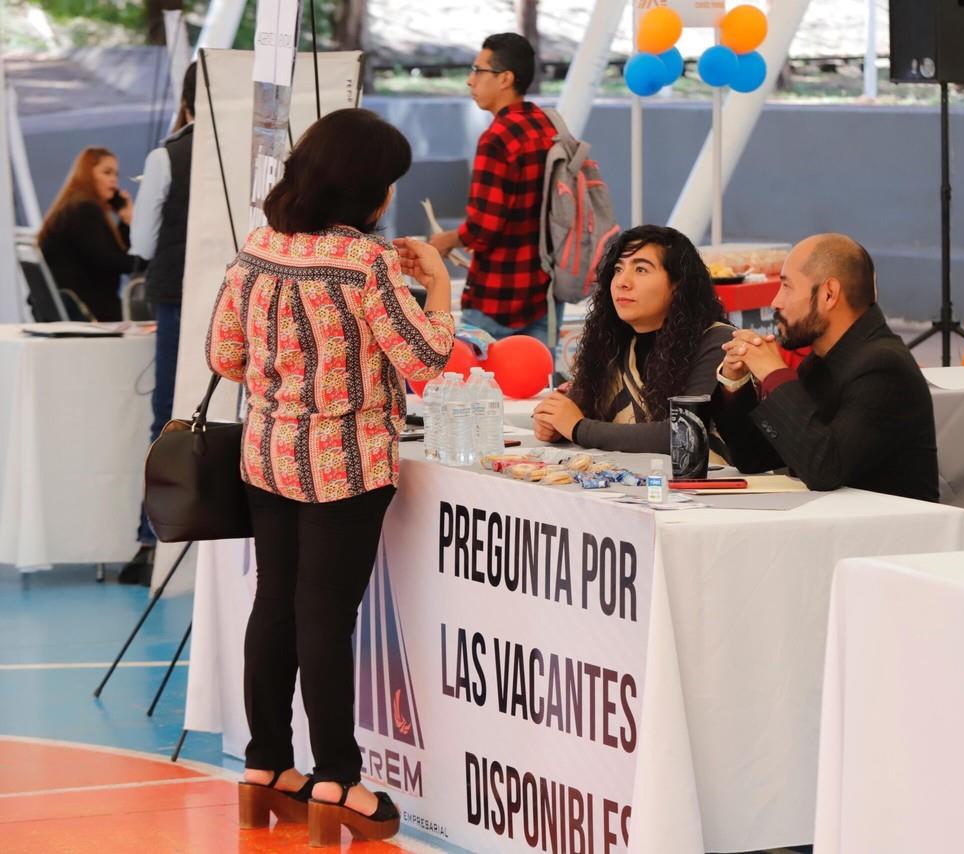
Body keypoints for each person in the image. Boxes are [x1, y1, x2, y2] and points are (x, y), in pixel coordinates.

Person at [206, 108, 454, 842]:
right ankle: (338, 780)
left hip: (268, 454)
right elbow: (424, 360)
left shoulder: (258, 248)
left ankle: (266, 764)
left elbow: (225, 359)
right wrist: (437, 281)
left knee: (274, 605)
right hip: (348, 464)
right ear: (367, 190)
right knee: (326, 618)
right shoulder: (366, 263)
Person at [713, 233, 939, 500]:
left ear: (829, 294)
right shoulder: (822, 362)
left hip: (890, 535)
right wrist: (735, 383)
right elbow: (754, 456)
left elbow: (824, 469)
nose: (775, 302)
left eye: (786, 286)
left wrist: (775, 375)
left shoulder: (883, 367)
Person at [532, 225, 734, 453]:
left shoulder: (718, 342)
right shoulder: (613, 344)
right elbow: (573, 410)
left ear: (678, 285)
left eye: (640, 270)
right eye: (618, 269)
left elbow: (683, 433)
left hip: (705, 486)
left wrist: (579, 428)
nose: (622, 282)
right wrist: (552, 423)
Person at [118, 62, 198, 585]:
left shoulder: (167, 155)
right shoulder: (264, 156)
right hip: (252, 294)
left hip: (177, 297)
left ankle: (155, 542)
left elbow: (142, 243)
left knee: (169, 418)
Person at [428, 33, 559, 343]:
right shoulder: (546, 123)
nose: (470, 81)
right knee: (539, 387)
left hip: (497, 296)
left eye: (478, 70)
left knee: (480, 386)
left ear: (505, 79)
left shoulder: (497, 137)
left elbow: (484, 228)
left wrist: (446, 240)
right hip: (544, 290)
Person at [37, 147, 134, 321]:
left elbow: (109, 254)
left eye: (116, 174)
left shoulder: (72, 207)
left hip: (71, 311)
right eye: (107, 172)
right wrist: (149, 259)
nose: (114, 180)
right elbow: (113, 262)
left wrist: (125, 221)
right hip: (89, 314)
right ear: (88, 176)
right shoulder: (84, 211)